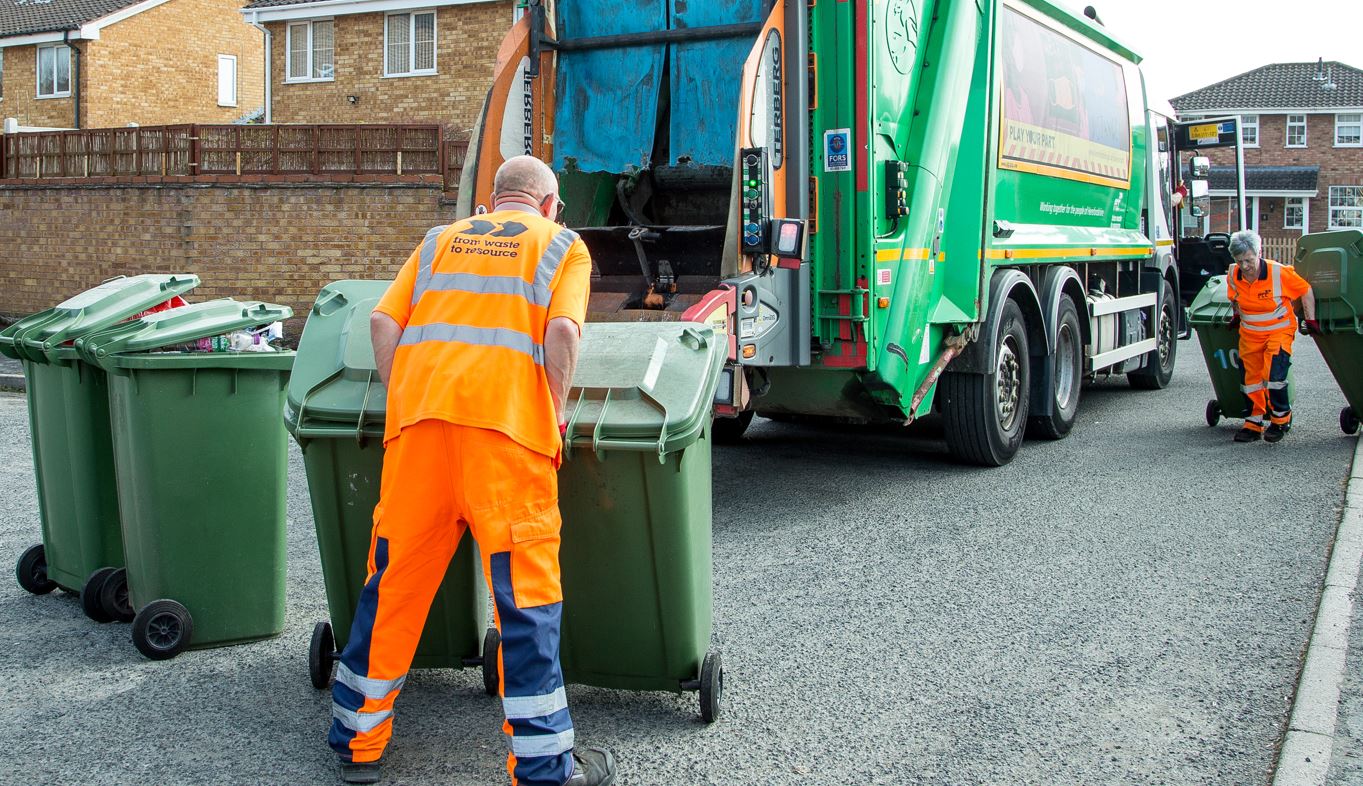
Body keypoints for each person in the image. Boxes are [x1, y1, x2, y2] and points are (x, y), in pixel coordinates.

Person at [328, 154, 616, 786]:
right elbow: (563, 333)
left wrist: (404, 393)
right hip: (506, 443)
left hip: (419, 438)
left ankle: (357, 741)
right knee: (525, 602)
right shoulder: (562, 246)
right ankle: (543, 766)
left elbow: (383, 319)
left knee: (393, 585)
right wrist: (555, 413)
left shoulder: (438, 241)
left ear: (491, 202)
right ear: (548, 204)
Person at [1225, 229, 1319, 443]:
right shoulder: (1233, 274)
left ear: (1259, 253)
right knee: (1250, 380)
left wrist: (1310, 319)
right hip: (1250, 334)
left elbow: (1305, 289)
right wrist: (1237, 315)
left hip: (1279, 330)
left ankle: (1280, 420)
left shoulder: (1278, 273)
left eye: (1249, 260)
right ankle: (1253, 423)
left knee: (1273, 376)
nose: (1245, 267)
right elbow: (1235, 297)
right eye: (1240, 262)